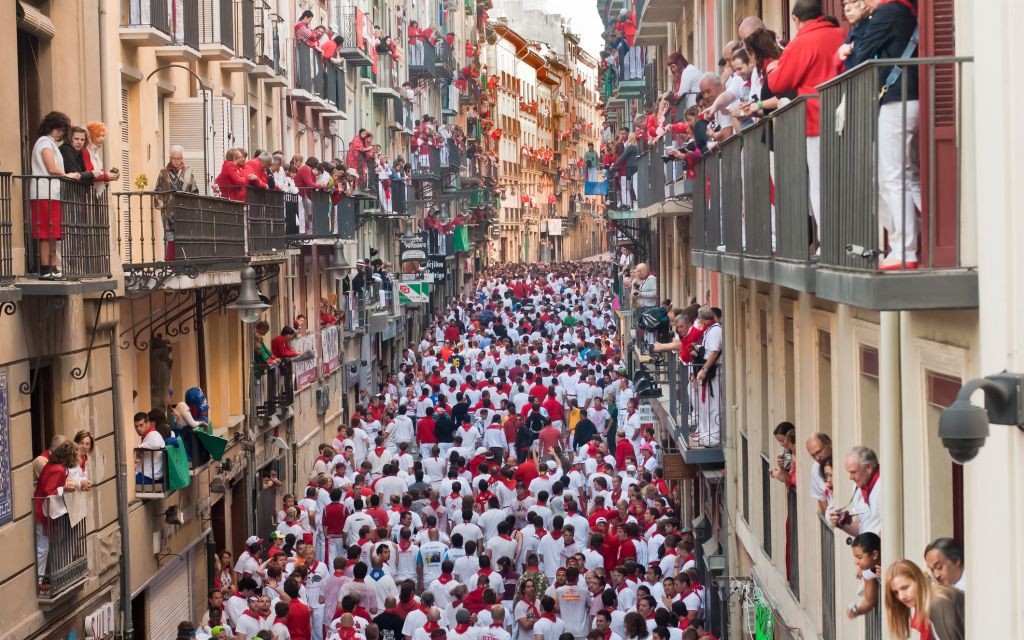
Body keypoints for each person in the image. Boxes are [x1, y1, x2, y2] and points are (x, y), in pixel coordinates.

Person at [840, 0, 921, 270]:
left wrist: (849, 47)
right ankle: (918, 235)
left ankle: (905, 249)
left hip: (897, 101)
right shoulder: (904, 10)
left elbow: (860, 56)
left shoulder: (887, 12)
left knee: (893, 177)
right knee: (907, 173)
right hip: (909, 97)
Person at [765, 0, 845, 253]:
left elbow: (779, 82)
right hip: (847, 114)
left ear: (797, 19)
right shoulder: (841, 33)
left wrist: (771, 69)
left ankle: (830, 244)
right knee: (846, 180)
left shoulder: (801, 42)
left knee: (821, 186)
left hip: (815, 121)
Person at [29, 111, 80, 278]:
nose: (60, 133)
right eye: (58, 129)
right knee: (46, 231)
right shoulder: (44, 142)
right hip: (44, 192)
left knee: (53, 231)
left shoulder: (49, 142)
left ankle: (52, 267)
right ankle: (45, 268)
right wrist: (67, 174)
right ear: (50, 127)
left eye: (62, 130)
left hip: (51, 192)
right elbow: (51, 167)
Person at [33, 440, 81, 592]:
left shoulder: (53, 466)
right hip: (43, 511)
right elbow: (49, 491)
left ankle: (42, 578)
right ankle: (39, 580)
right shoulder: (58, 470)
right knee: (43, 548)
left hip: (44, 511)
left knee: (45, 547)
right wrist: (64, 488)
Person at [884, 560, 964, 640]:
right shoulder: (929, 603)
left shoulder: (938, 603)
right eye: (896, 592)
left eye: (905, 588)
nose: (901, 597)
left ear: (919, 580)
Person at [829, 446, 880, 536]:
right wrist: (840, 523)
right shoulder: (857, 488)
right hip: (866, 548)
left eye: (853, 472)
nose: (850, 477)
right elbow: (860, 529)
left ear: (868, 468)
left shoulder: (884, 486)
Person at [846, 532, 881, 620]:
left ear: (874, 555)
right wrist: (857, 611)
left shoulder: (891, 563)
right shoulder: (868, 570)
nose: (856, 562)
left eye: (859, 557)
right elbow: (870, 600)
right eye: (855, 557)